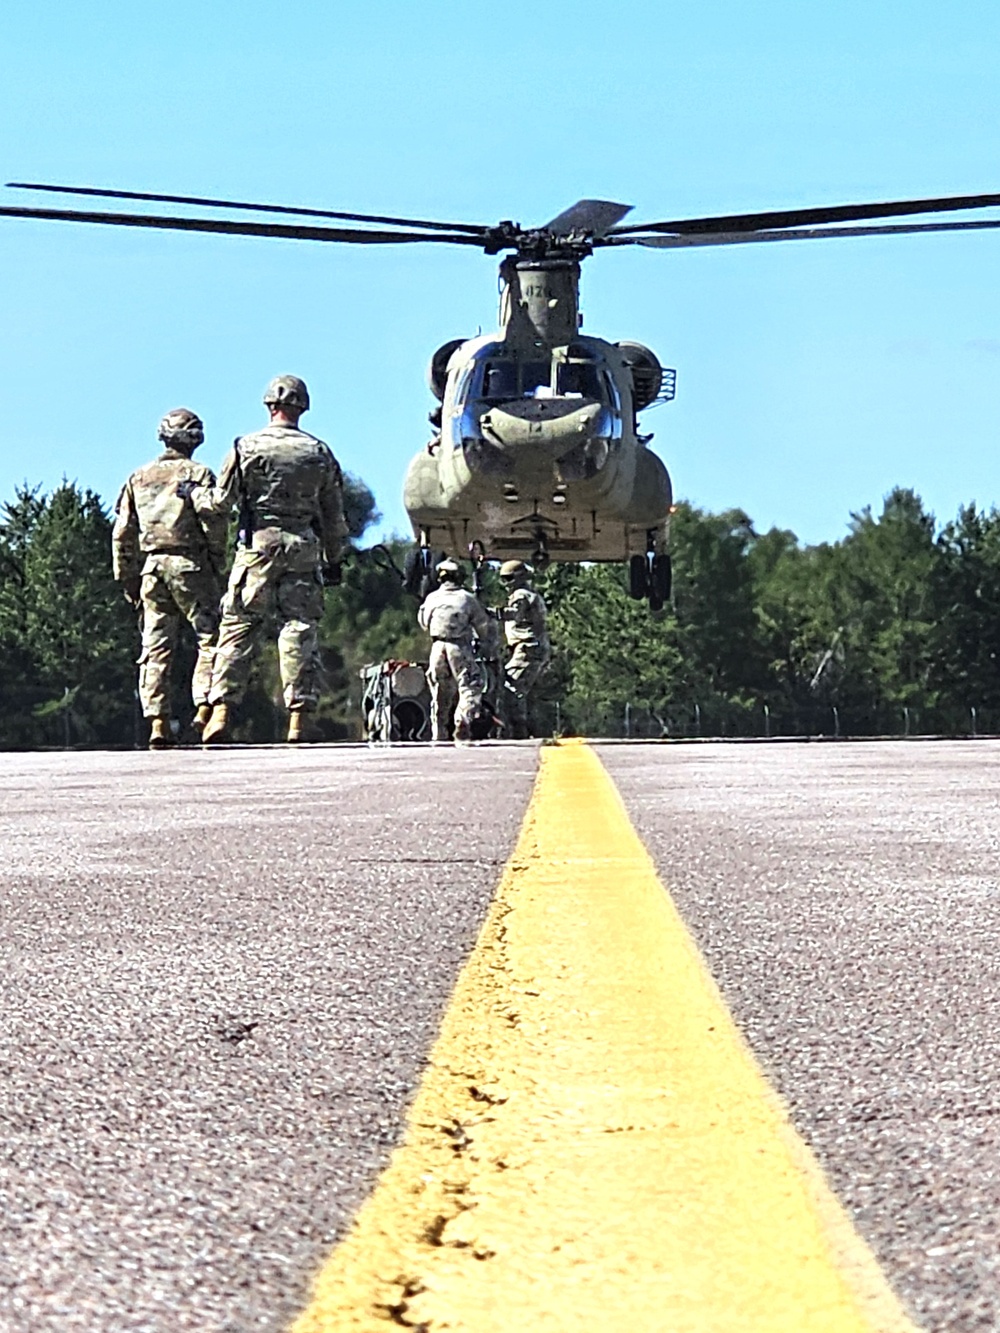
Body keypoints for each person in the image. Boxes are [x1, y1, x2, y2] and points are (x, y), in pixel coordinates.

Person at [196, 375, 347, 744]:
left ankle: (221, 713)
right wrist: (333, 559)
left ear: (269, 406)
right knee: (298, 629)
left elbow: (220, 504)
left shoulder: (244, 446)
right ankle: (299, 719)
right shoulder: (319, 452)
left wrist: (196, 496)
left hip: (256, 549)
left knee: (238, 628)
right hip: (302, 548)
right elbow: (334, 517)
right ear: (302, 407)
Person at [112, 408, 227, 748]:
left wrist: (127, 577)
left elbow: (122, 533)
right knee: (211, 639)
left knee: (155, 646)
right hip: (191, 565)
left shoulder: (138, 477)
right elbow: (213, 522)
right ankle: (204, 709)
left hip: (152, 569)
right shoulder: (199, 474)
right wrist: (216, 560)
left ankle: (157, 722)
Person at [417, 559, 491, 741]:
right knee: (471, 686)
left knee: (440, 692)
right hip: (459, 647)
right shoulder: (467, 598)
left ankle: (439, 733)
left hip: (437, 648)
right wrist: (483, 642)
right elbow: (482, 624)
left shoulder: (432, 598)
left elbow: (424, 623)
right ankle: (462, 721)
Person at [497, 560, 550, 739]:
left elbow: (514, 614)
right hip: (529, 647)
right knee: (517, 687)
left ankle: (518, 730)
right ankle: (521, 728)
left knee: (511, 687)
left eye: (508, 579)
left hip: (527, 647)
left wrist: (489, 612)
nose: (505, 584)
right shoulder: (529, 594)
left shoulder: (521, 595)